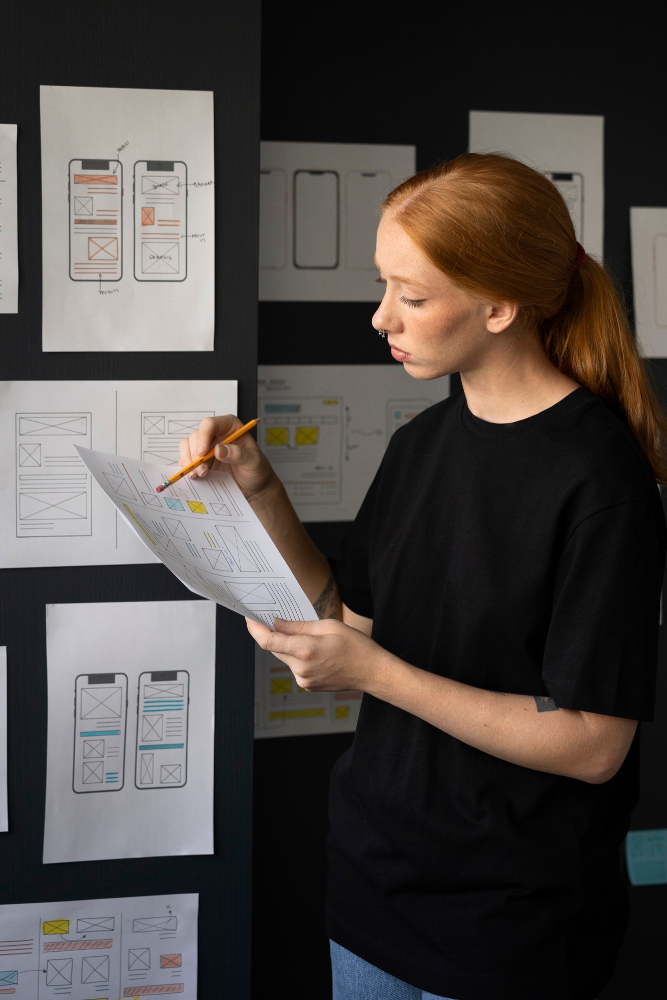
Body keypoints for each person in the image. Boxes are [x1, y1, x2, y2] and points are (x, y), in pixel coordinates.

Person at [180, 153, 667, 1000]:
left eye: (411, 297)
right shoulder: (420, 446)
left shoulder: (599, 481)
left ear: (497, 305)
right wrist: (260, 490)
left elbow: (592, 745)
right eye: (384, 287)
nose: (379, 318)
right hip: (374, 889)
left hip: (510, 922)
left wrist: (373, 674)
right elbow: (354, 619)